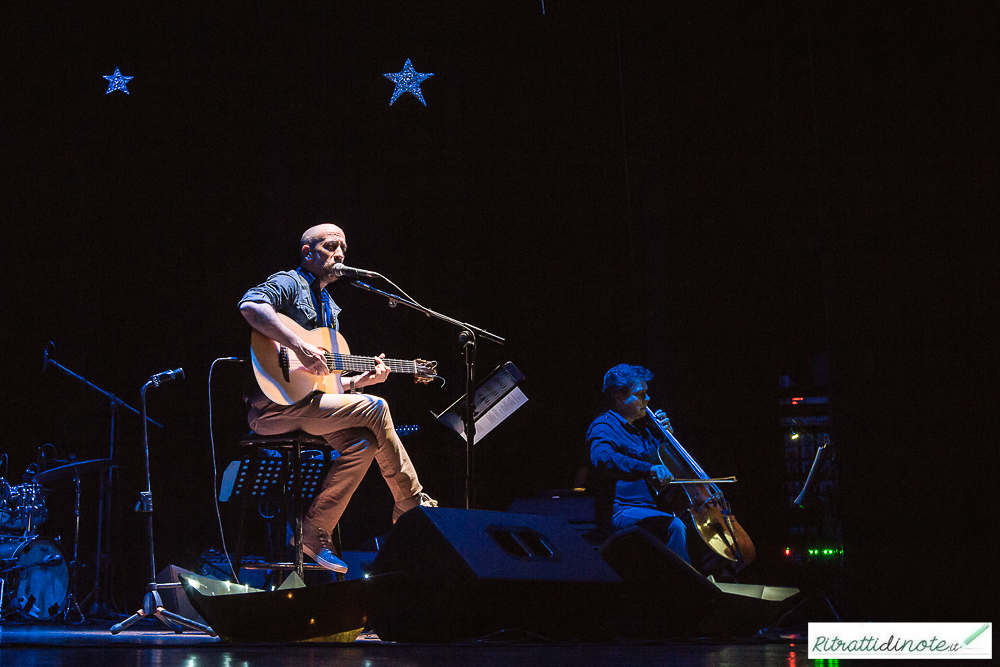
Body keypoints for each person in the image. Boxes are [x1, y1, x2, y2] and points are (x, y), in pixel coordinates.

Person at [239, 222, 435, 573]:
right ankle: (411, 503)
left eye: (343, 247)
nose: (339, 254)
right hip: (272, 408)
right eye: (330, 246)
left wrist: (360, 381)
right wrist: (299, 344)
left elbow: (324, 384)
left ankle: (314, 532)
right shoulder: (289, 282)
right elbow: (251, 306)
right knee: (378, 409)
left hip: (308, 405)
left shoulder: (331, 308)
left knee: (363, 441)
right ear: (308, 252)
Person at [587, 364, 691, 564]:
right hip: (621, 512)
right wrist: (649, 469)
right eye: (641, 394)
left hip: (654, 508)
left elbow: (668, 463)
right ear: (619, 396)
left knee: (694, 523)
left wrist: (668, 437)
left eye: (647, 393)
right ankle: (685, 587)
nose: (648, 399)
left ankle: (708, 577)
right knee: (673, 526)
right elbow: (603, 458)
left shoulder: (646, 431)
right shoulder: (603, 427)